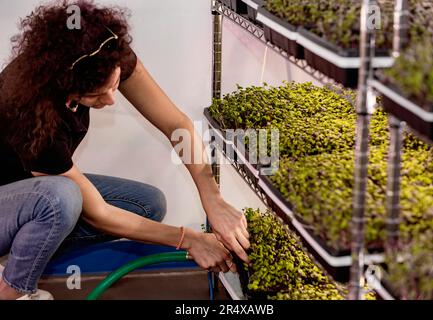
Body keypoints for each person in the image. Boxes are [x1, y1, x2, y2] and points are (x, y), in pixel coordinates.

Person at [0, 0, 250, 300]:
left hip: (26, 192)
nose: (111, 100)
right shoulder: (29, 110)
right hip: (10, 200)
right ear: (65, 86)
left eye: (115, 84)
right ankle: (12, 290)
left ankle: (19, 260)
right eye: (95, 96)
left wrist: (213, 198)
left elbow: (176, 124)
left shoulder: (107, 52)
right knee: (61, 199)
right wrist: (188, 239)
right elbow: (99, 213)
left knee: (148, 204)